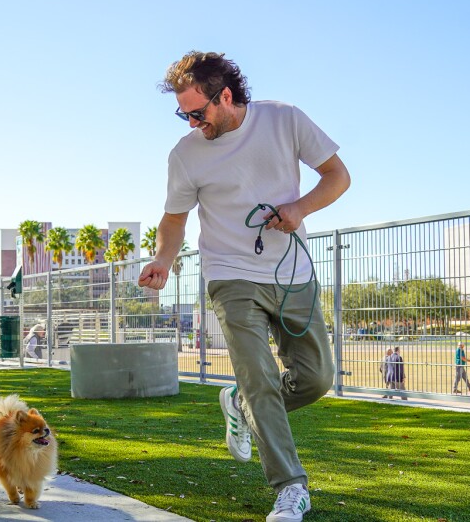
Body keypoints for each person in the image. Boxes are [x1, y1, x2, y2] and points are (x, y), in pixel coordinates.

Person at [139, 51, 350, 522]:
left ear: (226, 96)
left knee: (317, 378)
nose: (192, 123)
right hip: (230, 275)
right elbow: (174, 219)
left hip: (292, 272)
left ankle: (241, 402)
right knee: (258, 377)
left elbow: (338, 177)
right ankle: (291, 488)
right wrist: (162, 259)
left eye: (198, 112)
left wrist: (300, 209)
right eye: (183, 114)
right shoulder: (186, 154)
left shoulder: (284, 120)